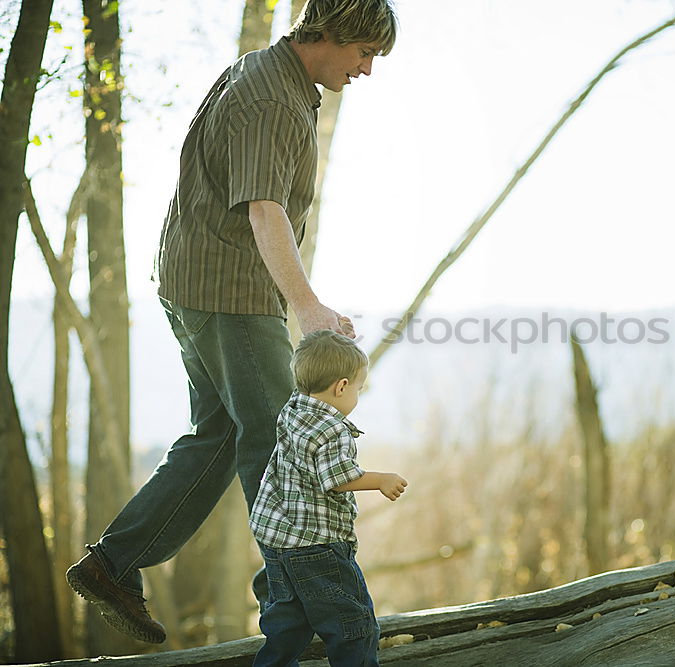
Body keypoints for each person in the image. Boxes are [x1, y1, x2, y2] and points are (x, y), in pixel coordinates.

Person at [66, 0, 399, 644]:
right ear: (326, 33)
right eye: (362, 53)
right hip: (230, 292)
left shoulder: (269, 75)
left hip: (198, 284)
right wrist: (307, 307)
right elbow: (264, 209)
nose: (365, 69)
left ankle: (112, 565)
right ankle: (293, 611)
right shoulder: (272, 97)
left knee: (219, 436)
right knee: (282, 446)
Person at [250, 329, 407, 666]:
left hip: (277, 537)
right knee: (353, 623)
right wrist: (381, 479)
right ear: (341, 387)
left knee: (288, 621)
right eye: (359, 388)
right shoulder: (334, 430)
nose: (358, 395)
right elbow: (337, 479)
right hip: (316, 546)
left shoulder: (293, 408)